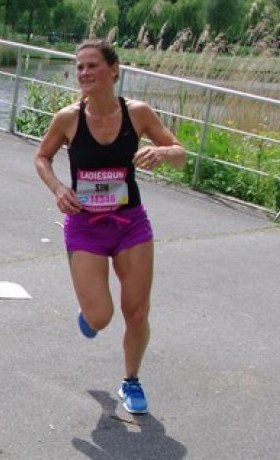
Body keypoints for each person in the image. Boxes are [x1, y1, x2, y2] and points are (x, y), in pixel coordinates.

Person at [33, 39, 186, 415]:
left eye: (92, 65)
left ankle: (131, 380)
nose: (84, 73)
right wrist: (58, 189)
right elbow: (42, 157)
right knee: (101, 316)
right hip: (85, 226)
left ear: (114, 70)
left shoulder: (138, 113)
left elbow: (181, 155)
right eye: (80, 67)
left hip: (130, 224)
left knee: (137, 311)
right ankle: (89, 314)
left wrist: (163, 152)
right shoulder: (68, 118)